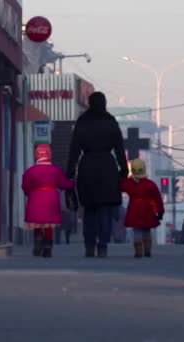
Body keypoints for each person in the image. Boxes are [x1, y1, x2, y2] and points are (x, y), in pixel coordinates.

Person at [66, 92, 129, 258]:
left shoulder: (83, 121)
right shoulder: (110, 121)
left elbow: (74, 150)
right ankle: (103, 246)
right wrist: (124, 171)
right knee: (105, 210)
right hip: (108, 168)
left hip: (87, 168)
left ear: (89, 103)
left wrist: (70, 173)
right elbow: (119, 148)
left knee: (89, 210)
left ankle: (89, 246)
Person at [23, 144, 75, 258]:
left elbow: (25, 187)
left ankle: (37, 240)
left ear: (36, 155)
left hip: (35, 197)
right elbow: (64, 184)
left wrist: (30, 194)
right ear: (49, 155)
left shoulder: (30, 171)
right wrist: (73, 183)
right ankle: (48, 246)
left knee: (37, 223)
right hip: (51, 198)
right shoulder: (56, 170)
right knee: (48, 225)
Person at [120, 159, 165, 258]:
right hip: (147, 209)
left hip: (134, 209)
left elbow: (120, 185)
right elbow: (158, 198)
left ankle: (138, 251)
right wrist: (160, 212)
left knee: (137, 230)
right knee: (146, 229)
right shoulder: (150, 184)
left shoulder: (129, 183)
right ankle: (147, 250)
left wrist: (123, 175)